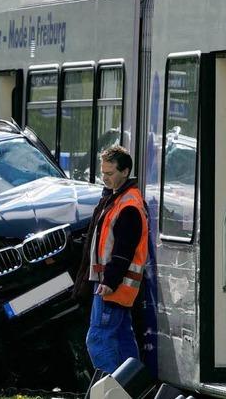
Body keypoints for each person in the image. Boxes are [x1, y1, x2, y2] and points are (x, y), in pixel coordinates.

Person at [72, 145, 149, 374]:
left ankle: (112, 391)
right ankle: (132, 388)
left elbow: (123, 251)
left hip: (112, 285)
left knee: (98, 339)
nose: (104, 178)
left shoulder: (128, 205)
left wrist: (109, 282)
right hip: (114, 283)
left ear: (125, 172)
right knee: (123, 339)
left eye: (110, 173)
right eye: (102, 173)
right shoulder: (118, 198)